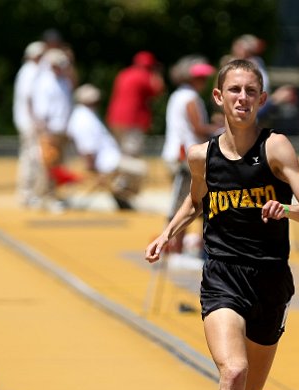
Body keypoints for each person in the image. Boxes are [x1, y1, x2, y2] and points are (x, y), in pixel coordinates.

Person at [145, 59, 299, 390]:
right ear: (219, 98)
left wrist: (285, 210)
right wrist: (169, 233)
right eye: (234, 90)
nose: (242, 98)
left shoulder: (276, 148)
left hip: (270, 279)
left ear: (262, 100)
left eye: (251, 91)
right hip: (222, 273)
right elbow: (196, 197)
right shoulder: (201, 155)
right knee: (232, 373)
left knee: (252, 389)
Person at [161, 56, 222, 253]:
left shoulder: (178, 95)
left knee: (186, 202)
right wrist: (221, 127)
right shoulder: (190, 98)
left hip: (178, 153)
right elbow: (198, 128)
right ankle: (176, 249)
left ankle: (178, 247)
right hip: (185, 156)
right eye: (200, 78)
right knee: (186, 204)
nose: (203, 82)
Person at [66, 84, 146, 210]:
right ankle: (120, 194)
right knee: (139, 169)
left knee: (133, 170)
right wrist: (92, 168)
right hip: (106, 162)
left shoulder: (86, 115)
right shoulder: (83, 119)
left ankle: (120, 195)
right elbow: (87, 146)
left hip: (108, 160)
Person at [29, 47, 74, 212]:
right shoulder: (45, 82)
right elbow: (41, 110)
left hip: (61, 129)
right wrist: (44, 131)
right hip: (49, 130)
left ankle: (51, 195)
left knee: (57, 165)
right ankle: (45, 197)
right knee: (47, 164)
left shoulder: (63, 81)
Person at [106, 51, 165, 158]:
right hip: (133, 120)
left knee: (121, 151)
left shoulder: (123, 74)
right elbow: (158, 90)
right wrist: (157, 73)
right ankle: (126, 174)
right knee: (131, 153)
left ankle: (122, 173)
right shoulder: (145, 75)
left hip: (115, 118)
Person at [12, 40, 46, 206]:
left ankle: (29, 192)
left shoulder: (29, 71)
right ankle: (27, 193)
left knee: (31, 156)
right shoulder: (31, 71)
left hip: (28, 121)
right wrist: (36, 120)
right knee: (31, 157)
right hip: (30, 122)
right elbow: (29, 98)